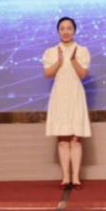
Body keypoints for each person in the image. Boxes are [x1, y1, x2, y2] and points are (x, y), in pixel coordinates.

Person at [42, 17, 92, 190]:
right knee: (62, 140)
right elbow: (47, 74)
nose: (65, 31)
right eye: (62, 28)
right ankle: (65, 178)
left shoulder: (82, 50)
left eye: (69, 28)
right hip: (59, 94)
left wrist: (73, 60)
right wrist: (59, 60)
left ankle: (76, 178)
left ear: (74, 31)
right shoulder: (51, 51)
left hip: (75, 94)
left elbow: (82, 75)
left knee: (76, 140)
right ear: (58, 32)